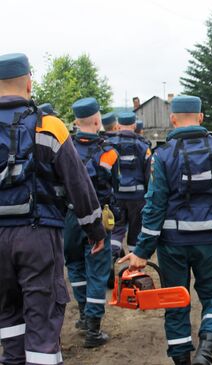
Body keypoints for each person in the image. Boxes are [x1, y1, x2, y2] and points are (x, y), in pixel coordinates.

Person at [119, 95, 212, 365]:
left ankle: (183, 361)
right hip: (211, 242)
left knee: (175, 302)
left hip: (172, 245)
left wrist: (141, 251)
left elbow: (154, 206)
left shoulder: (162, 155)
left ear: (173, 119)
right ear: (201, 118)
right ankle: (206, 352)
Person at [0, 53, 106, 365]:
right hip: (38, 236)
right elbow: (78, 184)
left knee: (8, 318)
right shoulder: (49, 127)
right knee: (43, 318)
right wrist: (94, 229)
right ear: (29, 83)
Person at [64, 97, 117, 348]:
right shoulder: (109, 152)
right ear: (97, 120)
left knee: (75, 266)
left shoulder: (64, 148)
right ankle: (94, 330)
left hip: (69, 217)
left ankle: (84, 315)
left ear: (75, 121)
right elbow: (113, 187)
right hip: (96, 217)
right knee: (97, 270)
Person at [108, 112, 151, 254]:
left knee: (116, 230)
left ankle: (111, 260)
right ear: (134, 125)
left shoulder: (108, 145)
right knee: (135, 231)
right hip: (137, 199)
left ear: (118, 126)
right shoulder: (143, 146)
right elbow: (148, 176)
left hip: (115, 197)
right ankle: (133, 269)